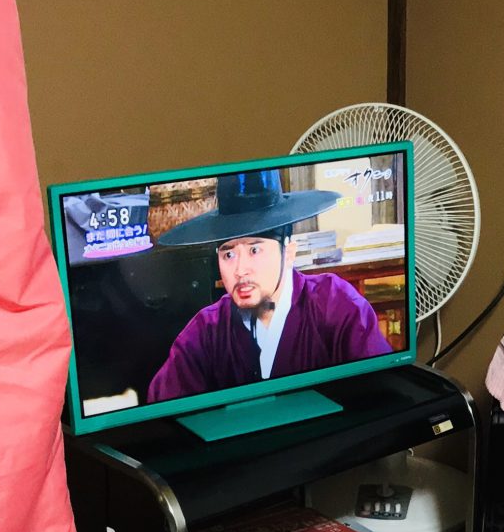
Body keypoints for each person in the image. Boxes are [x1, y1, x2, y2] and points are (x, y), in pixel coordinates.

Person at [146, 170, 394, 402]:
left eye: (255, 250)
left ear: (289, 252)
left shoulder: (336, 306)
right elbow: (165, 411)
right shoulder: (205, 332)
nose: (240, 270)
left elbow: (381, 393)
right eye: (228, 254)